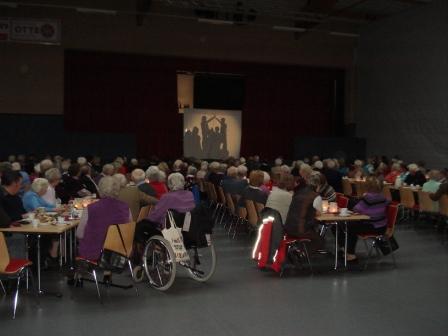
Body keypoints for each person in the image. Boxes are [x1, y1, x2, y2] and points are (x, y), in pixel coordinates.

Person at [76, 176, 131, 262]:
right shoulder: (125, 207)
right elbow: (128, 229)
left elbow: (79, 233)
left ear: (100, 189)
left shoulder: (91, 208)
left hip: (95, 252)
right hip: (119, 251)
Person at [134, 173, 195, 243]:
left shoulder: (167, 197)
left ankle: (146, 246)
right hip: (187, 230)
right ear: (183, 182)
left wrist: (145, 218)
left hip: (169, 231)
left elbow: (155, 216)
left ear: (169, 184)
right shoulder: (189, 194)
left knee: (140, 226)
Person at [343, 176, 389, 262]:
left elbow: (356, 209)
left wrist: (362, 198)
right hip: (382, 226)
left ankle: (350, 254)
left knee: (350, 227)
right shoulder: (383, 197)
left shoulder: (368, 198)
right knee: (352, 226)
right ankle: (348, 252)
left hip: (374, 226)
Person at [283, 173, 323, 251]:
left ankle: (298, 250)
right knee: (320, 240)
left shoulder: (298, 192)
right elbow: (319, 213)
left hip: (288, 227)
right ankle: (301, 253)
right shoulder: (315, 196)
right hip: (300, 229)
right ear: (318, 185)